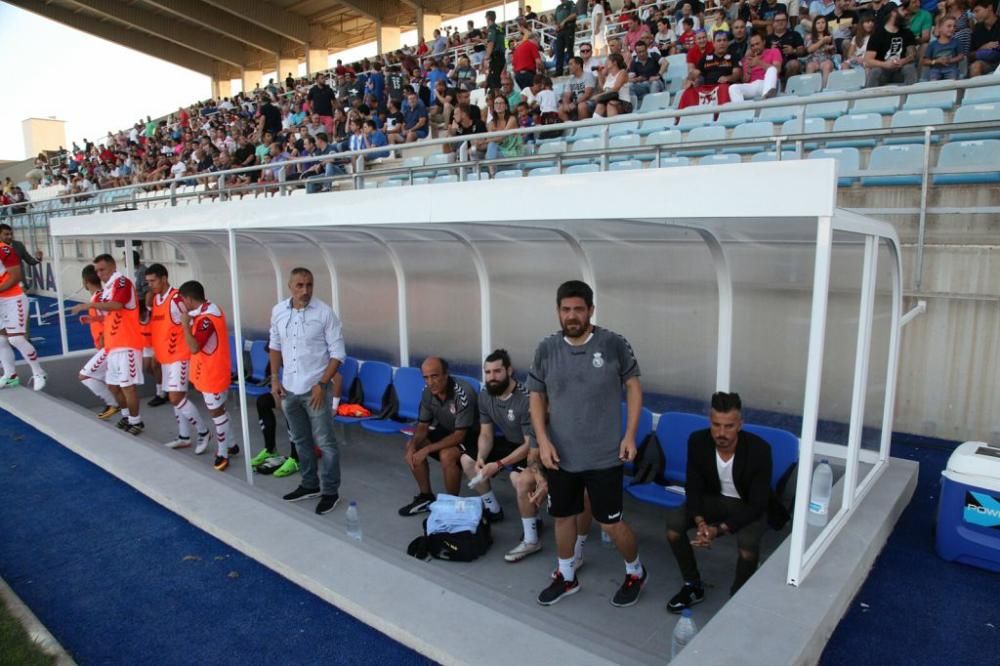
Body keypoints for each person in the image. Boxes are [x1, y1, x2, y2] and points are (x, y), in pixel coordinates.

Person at [529, 280, 646, 608]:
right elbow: (536, 396)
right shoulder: (546, 348)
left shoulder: (613, 344)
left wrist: (630, 435)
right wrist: (543, 440)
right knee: (563, 517)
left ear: (591, 310)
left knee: (609, 522)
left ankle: (636, 571)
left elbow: (634, 387)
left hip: (605, 455)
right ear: (558, 311)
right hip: (561, 456)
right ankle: (566, 576)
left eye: (579, 309)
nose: (572, 316)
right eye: (565, 309)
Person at [665, 392, 788, 612]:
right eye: (716, 425)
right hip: (713, 500)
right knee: (674, 526)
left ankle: (738, 596)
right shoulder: (698, 441)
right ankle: (692, 584)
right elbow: (693, 486)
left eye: (729, 426)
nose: (721, 433)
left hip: (747, 505)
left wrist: (718, 530)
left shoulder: (759, 450)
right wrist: (701, 522)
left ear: (741, 424)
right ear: (710, 422)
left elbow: (758, 504)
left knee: (748, 548)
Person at [269, 268, 345, 513]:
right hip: (289, 388)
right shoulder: (279, 311)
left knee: (325, 442)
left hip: (315, 389)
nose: (305, 291)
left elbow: (338, 354)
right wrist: (274, 379)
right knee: (300, 440)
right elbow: (275, 345)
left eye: (309, 285)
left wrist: (322, 384)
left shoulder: (324, 313)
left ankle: (331, 491)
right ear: (290, 286)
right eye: (300, 285)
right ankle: (310, 484)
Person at [463, 349, 544, 559]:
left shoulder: (525, 398)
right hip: (510, 442)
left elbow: (530, 445)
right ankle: (493, 509)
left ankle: (531, 537)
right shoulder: (485, 394)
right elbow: (487, 434)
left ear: (509, 370)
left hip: (537, 446)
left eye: (497, 371)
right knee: (468, 460)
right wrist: (482, 456)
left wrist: (498, 464)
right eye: (488, 372)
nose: (492, 377)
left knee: (518, 479)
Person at [69, 254, 144, 434]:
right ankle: (126, 415)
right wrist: (93, 318)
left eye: (102, 269)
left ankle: (136, 421)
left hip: (127, 344)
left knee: (127, 387)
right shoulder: (110, 288)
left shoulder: (122, 283)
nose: (99, 274)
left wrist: (88, 306)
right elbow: (112, 313)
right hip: (113, 345)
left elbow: (117, 305)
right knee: (113, 385)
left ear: (113, 266)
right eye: (97, 271)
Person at [398, 357, 480, 516]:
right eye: (426, 377)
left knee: (447, 455)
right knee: (412, 446)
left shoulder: (462, 393)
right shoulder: (427, 392)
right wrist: (414, 446)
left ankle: (452, 505)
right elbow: (422, 425)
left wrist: (428, 449)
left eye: (434, 376)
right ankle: (426, 497)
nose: (430, 382)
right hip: (448, 430)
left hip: (473, 437)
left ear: (446, 374)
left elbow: (459, 436)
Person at [144, 264, 210, 452]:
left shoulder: (176, 299)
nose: (151, 285)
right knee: (177, 398)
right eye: (148, 282)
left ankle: (203, 432)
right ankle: (184, 436)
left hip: (180, 356)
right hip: (166, 358)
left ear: (164, 279)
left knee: (175, 397)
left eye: (153, 281)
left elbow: (192, 319)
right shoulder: (157, 299)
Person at [177, 280, 237, 471]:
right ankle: (232, 443)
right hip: (212, 371)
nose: (182, 305)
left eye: (182, 301)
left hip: (213, 374)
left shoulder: (206, 319)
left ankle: (222, 453)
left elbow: (194, 347)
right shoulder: (210, 307)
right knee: (220, 409)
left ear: (188, 298)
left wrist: (185, 325)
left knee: (216, 413)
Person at [0, 232, 45, 390]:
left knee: (16, 339)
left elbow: (16, 276)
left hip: (13, 298)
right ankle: (10, 375)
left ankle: (39, 372)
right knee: (1, 340)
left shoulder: (4, 250)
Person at [76, 265, 118, 418]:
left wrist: (103, 338)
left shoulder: (99, 298)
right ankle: (121, 411)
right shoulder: (98, 297)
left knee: (85, 376)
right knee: (110, 381)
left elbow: (110, 319)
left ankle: (114, 404)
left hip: (108, 347)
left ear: (85, 281)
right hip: (105, 346)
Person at [679, 30, 740, 108]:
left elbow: (737, 74)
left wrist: (728, 78)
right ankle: (681, 118)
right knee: (688, 92)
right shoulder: (706, 58)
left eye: (724, 40)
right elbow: (695, 72)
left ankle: (721, 115)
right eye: (719, 41)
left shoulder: (733, 56)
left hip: (723, 86)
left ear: (728, 43)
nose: (722, 43)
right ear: (713, 43)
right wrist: (689, 80)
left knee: (723, 88)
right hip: (707, 88)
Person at [864, 5, 918, 86]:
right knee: (875, 71)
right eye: (903, 10)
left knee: (909, 68)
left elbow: (912, 55)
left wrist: (903, 61)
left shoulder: (907, 33)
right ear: (893, 13)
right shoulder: (877, 34)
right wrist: (885, 65)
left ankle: (912, 97)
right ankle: (869, 97)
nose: (906, 13)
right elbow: (868, 61)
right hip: (883, 70)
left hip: (900, 70)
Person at [729, 33, 782, 102]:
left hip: (768, 83)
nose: (755, 47)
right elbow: (745, 80)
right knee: (733, 87)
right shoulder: (747, 59)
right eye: (752, 46)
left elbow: (777, 69)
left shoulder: (773, 51)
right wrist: (748, 71)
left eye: (757, 44)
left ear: (763, 42)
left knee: (772, 69)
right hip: (753, 85)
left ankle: (767, 99)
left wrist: (759, 62)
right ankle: (742, 112)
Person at [0, 223, 42, 290]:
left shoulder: (18, 245)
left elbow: (29, 260)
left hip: (19, 284)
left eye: (11, 234)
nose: (10, 236)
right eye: (6, 234)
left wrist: (38, 258)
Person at [766, 10, 806, 78]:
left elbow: (803, 51)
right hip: (773, 64)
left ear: (787, 22)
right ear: (773, 22)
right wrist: (771, 51)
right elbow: (762, 55)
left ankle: (788, 87)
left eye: (783, 20)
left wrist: (793, 51)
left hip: (789, 64)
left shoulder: (795, 34)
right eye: (777, 20)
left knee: (794, 64)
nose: (780, 22)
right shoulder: (767, 38)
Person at [969, 0, 1000, 77]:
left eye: (977, 11)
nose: (975, 15)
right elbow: (969, 55)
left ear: (989, 8)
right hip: (987, 63)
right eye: (974, 13)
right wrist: (983, 47)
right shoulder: (977, 29)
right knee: (975, 67)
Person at [554, 0, 579, 75]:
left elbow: (574, 14)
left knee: (569, 50)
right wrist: (557, 26)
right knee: (559, 51)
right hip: (560, 31)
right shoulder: (558, 7)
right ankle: (559, 71)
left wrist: (564, 21)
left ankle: (571, 69)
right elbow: (556, 20)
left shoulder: (570, 3)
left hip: (568, 29)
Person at [484, 10, 507, 89]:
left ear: (488, 18)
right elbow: (504, 41)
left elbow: (491, 43)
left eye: (486, 17)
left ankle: (497, 98)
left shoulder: (492, 28)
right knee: (498, 79)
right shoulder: (500, 28)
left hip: (496, 57)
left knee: (495, 82)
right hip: (502, 56)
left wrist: (486, 57)